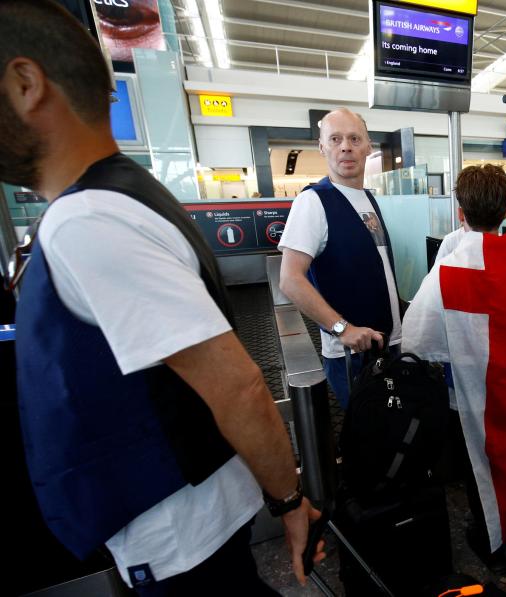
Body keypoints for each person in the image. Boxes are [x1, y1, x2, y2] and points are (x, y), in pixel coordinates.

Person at [0, 1, 323, 594]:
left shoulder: (88, 219)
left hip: (178, 533)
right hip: (187, 511)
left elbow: (238, 385)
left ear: (26, 84)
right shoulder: (128, 194)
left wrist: (290, 500)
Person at [402, 164, 506, 561]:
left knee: (479, 460)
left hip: (469, 392)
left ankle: (490, 536)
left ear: (460, 212)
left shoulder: (448, 268)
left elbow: (417, 340)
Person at [278, 108, 401, 408]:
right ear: (322, 147)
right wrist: (341, 328)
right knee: (372, 439)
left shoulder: (368, 198)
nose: (345, 146)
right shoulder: (313, 202)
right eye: (335, 139)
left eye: (354, 138)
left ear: (368, 147)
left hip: (388, 344)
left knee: (394, 437)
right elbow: (290, 279)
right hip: (353, 355)